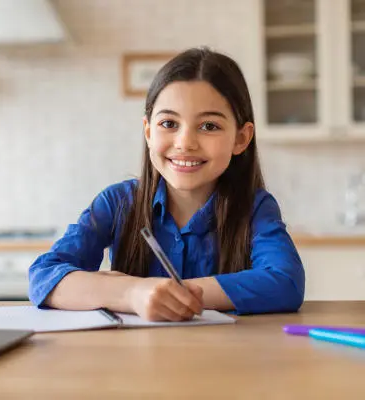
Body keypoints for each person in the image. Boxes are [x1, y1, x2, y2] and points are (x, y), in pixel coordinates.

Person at [28, 47, 305, 321]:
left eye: (209, 126)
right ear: (148, 131)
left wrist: (174, 294)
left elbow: (285, 282)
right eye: (169, 123)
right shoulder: (118, 203)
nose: (185, 143)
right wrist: (132, 293)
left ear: (240, 139)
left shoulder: (255, 208)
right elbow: (44, 277)